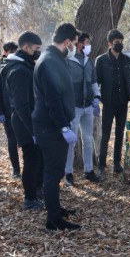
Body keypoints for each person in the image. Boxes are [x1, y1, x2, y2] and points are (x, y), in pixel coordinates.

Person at [33, 22, 81, 230]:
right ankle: (53, 220)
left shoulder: (54, 58)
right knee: (53, 173)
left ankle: (55, 208)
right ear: (68, 42)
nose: (75, 49)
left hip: (52, 126)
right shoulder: (50, 61)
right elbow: (52, 99)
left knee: (55, 171)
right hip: (51, 128)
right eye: (75, 44)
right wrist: (63, 127)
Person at [0, 31, 44, 210]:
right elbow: (21, 105)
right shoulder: (18, 70)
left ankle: (37, 189)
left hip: (31, 121)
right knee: (31, 159)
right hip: (25, 122)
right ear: (26, 47)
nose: (38, 52)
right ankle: (29, 198)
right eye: (36, 49)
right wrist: (33, 130)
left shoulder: (25, 65)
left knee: (38, 158)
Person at [95, 29, 130, 177]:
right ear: (110, 43)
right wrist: (95, 99)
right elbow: (96, 82)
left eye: (121, 42)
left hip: (123, 103)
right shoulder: (101, 60)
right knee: (105, 134)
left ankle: (117, 163)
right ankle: (101, 165)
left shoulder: (127, 60)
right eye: (117, 43)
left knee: (120, 134)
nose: (120, 45)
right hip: (108, 102)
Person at [64, 31, 100, 186]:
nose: (88, 46)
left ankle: (89, 170)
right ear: (79, 44)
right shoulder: (68, 61)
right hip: (74, 107)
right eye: (86, 43)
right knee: (71, 142)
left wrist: (97, 97)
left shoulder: (89, 61)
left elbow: (94, 81)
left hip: (88, 106)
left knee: (88, 139)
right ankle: (68, 173)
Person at [0, 41, 21, 178]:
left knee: (26, 140)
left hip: (21, 109)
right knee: (12, 140)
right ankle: (16, 169)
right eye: (12, 52)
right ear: (6, 52)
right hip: (7, 111)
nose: (14, 54)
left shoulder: (20, 64)